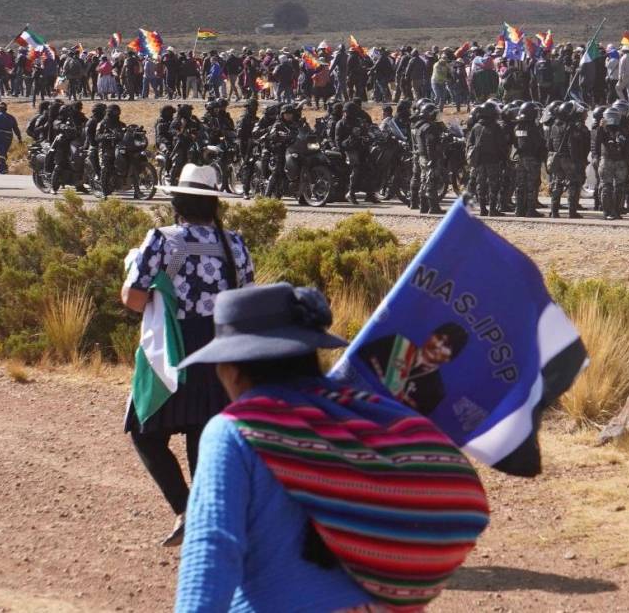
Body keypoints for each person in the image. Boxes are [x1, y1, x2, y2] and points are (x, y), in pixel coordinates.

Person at [173, 283, 488, 613]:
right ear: (309, 353)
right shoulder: (360, 414)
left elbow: (212, 551)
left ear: (230, 372)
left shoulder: (233, 431)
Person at [120, 164, 255, 547]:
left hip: (174, 347)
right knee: (203, 436)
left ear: (177, 201)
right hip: (221, 350)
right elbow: (245, 298)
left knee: (145, 432)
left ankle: (185, 508)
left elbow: (134, 298)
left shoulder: (162, 240)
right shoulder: (235, 244)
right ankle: (211, 523)